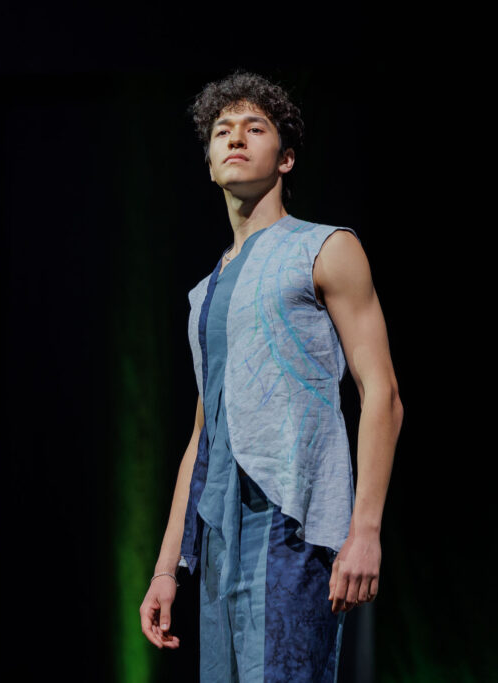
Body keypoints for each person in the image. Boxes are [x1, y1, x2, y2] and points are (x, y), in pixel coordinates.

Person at [139, 71, 404, 681]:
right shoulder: (202, 294)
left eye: (254, 128)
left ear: (284, 157)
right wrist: (166, 567)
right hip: (220, 534)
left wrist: (365, 530)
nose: (235, 139)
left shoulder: (324, 248)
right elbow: (203, 435)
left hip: (293, 523)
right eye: (222, 131)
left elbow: (381, 392)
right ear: (208, 163)